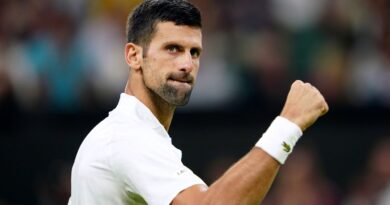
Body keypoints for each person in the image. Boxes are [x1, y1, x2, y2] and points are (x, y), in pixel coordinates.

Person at [68, 0, 329, 205]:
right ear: (134, 56)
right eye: (172, 48)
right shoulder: (127, 138)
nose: (186, 64)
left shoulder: (122, 134)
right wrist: (289, 123)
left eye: (194, 52)